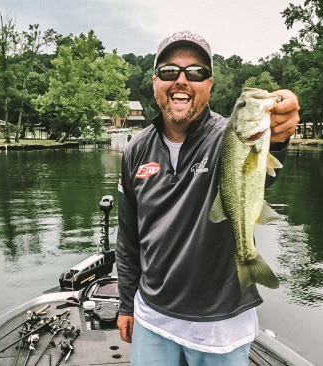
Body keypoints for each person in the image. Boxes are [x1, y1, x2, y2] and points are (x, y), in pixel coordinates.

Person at [115, 31, 300, 365]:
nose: (181, 81)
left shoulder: (231, 137)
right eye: (170, 71)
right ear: (156, 81)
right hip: (152, 316)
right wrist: (127, 304)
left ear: (210, 84)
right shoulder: (135, 150)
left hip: (220, 326)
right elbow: (128, 239)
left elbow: (260, 165)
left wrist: (280, 133)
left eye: (195, 72)